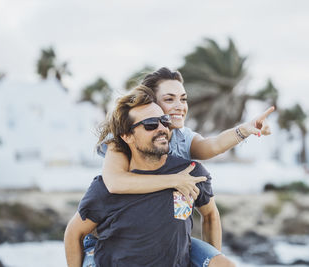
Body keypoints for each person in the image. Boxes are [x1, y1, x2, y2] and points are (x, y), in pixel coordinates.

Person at [90, 67, 274, 266]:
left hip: (172, 242)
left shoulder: (182, 137)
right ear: (150, 102)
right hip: (118, 241)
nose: (179, 106)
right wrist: (175, 180)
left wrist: (245, 130)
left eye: (183, 99)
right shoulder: (123, 141)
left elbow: (213, 146)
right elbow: (115, 182)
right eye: (169, 99)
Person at [64, 86, 236, 267]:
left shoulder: (191, 172)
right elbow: (74, 234)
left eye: (164, 121)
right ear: (127, 136)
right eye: (151, 125)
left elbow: (210, 215)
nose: (162, 128)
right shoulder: (106, 187)